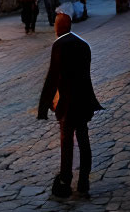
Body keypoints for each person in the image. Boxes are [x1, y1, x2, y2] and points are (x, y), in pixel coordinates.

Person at [38, 12, 103, 198]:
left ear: (59, 27)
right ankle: (84, 180)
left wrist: (45, 106)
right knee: (83, 139)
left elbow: (53, 76)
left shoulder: (58, 45)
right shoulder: (84, 45)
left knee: (67, 142)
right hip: (84, 100)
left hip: (67, 102)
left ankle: (65, 180)